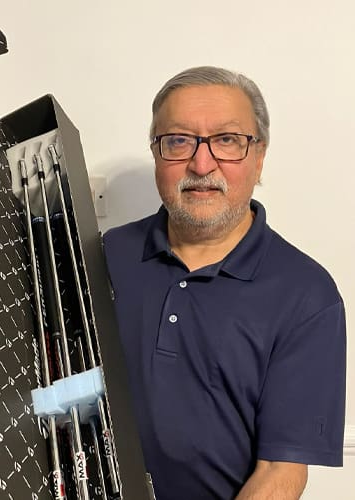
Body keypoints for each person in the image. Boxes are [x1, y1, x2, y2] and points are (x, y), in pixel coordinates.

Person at [103, 66, 346, 499]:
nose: (201, 164)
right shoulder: (106, 254)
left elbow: (280, 472)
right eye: (179, 140)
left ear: (259, 156)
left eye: (227, 140)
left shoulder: (307, 295)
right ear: (157, 153)